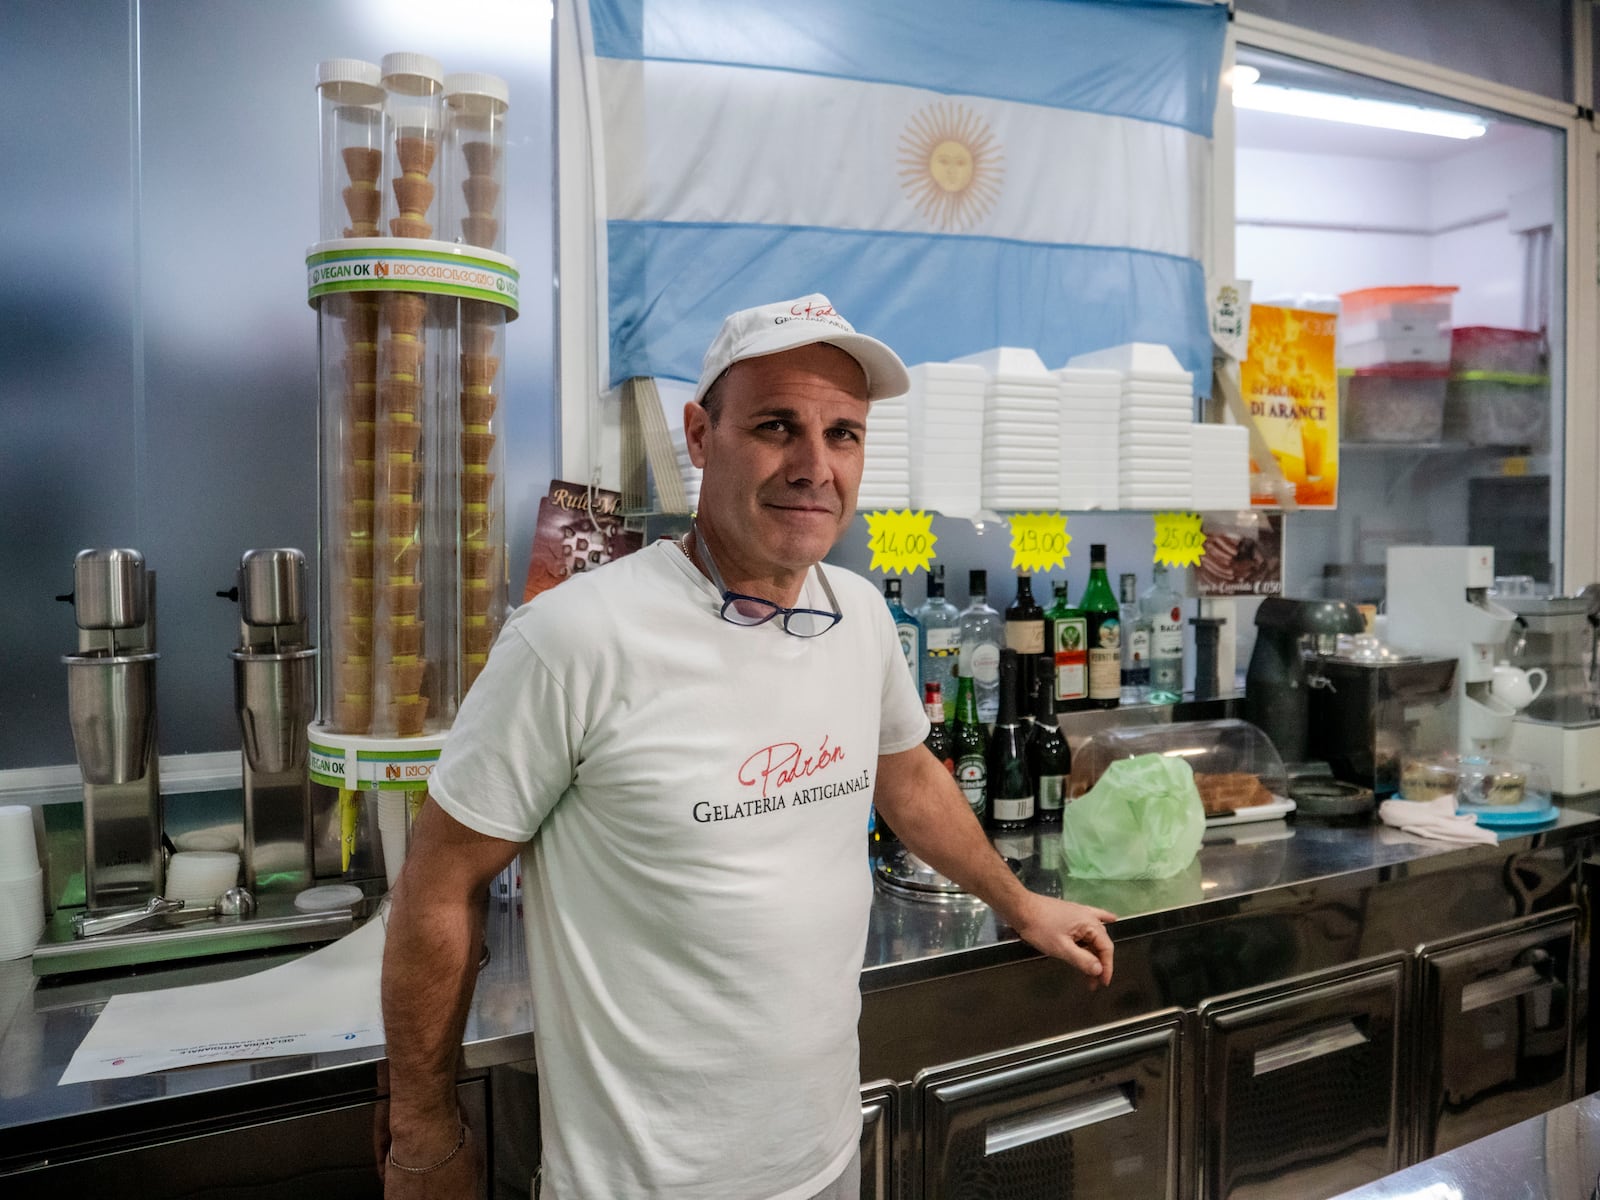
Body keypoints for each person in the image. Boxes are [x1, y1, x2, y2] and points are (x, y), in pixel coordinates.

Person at [379, 294, 1116, 1199]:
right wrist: (422, 1130)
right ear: (699, 435)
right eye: (777, 426)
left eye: (843, 434)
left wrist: (1018, 901)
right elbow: (438, 882)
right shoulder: (571, 638)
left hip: (824, 1163)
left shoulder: (857, 618)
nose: (815, 466)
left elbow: (908, 775)